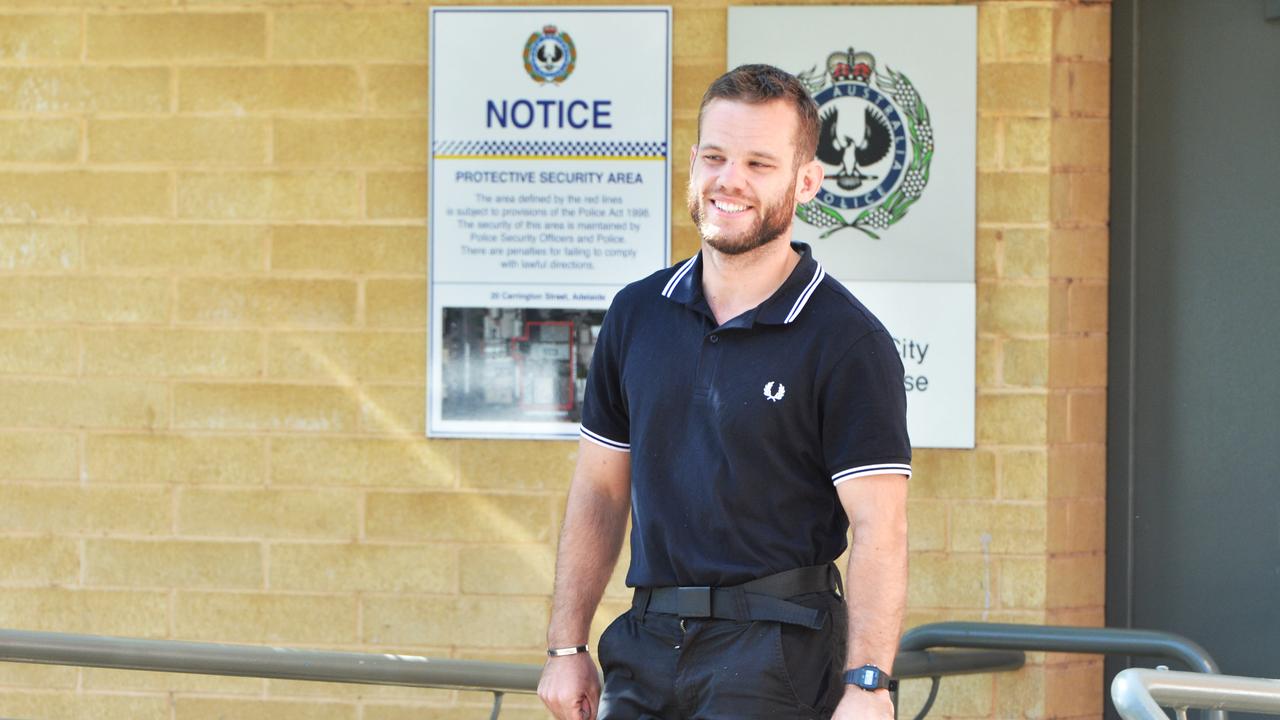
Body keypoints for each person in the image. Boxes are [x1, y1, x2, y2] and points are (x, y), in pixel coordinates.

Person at [537, 64, 912, 720]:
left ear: (807, 181)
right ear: (692, 164)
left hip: (778, 650)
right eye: (714, 156)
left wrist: (869, 682)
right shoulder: (636, 314)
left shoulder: (845, 340)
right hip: (646, 642)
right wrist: (566, 645)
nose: (729, 180)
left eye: (759, 164)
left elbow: (881, 527)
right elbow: (598, 490)